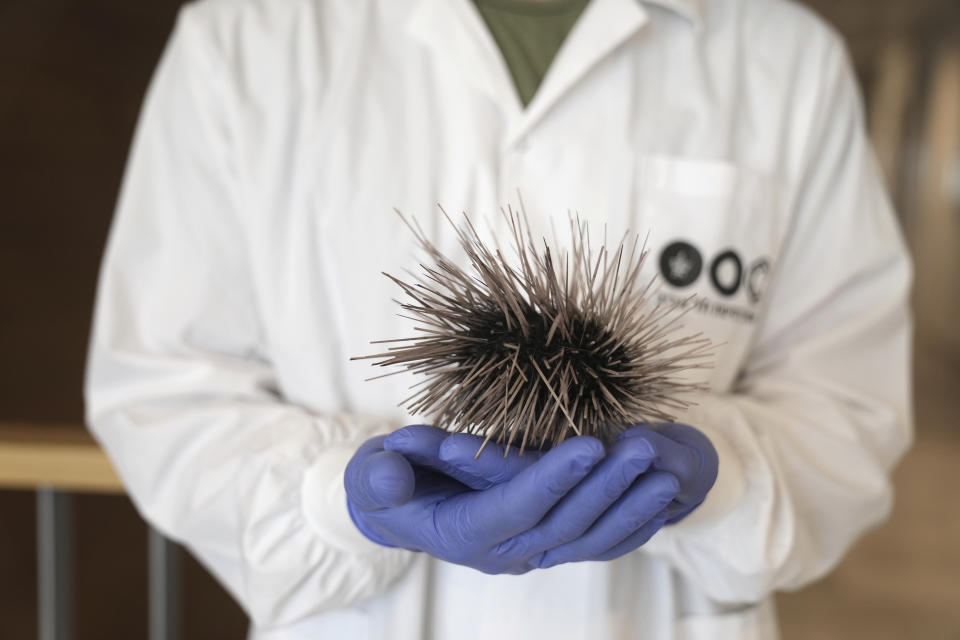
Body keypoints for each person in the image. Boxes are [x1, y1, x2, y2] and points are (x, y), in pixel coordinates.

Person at [84, 0, 913, 638]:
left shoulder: (785, 60)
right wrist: (331, 500)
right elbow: (162, 387)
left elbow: (848, 403)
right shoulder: (246, 38)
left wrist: (721, 474)